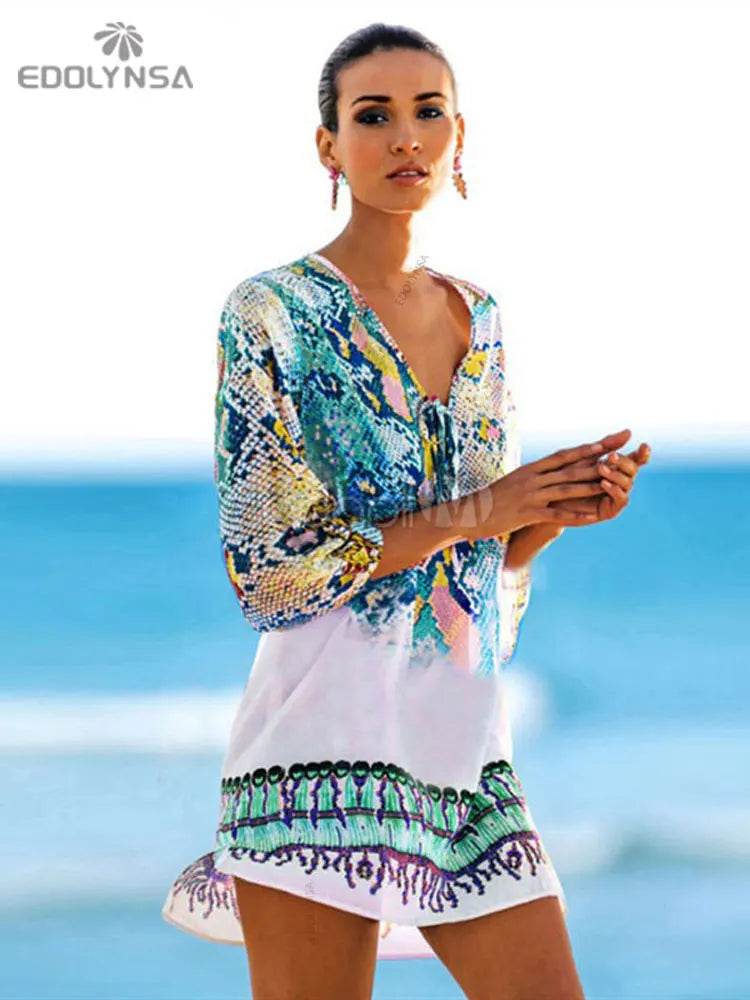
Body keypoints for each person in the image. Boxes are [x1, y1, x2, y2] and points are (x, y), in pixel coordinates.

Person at [161, 22, 651, 1000]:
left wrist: (548, 514)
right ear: (329, 144)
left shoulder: (484, 318)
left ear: (460, 135)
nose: (405, 137)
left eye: (429, 111)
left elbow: (477, 579)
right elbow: (271, 573)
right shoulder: (271, 313)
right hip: (316, 762)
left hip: (463, 759)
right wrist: (488, 509)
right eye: (373, 115)